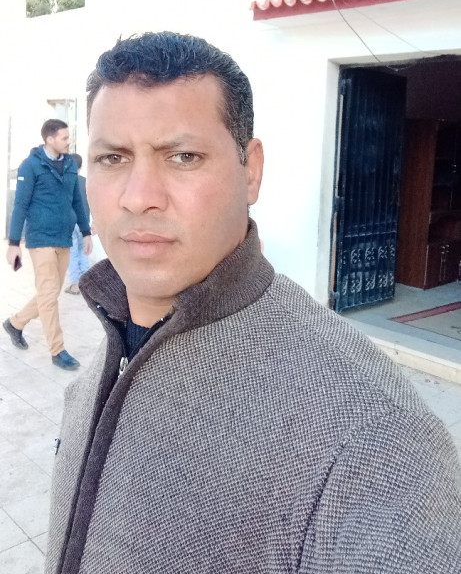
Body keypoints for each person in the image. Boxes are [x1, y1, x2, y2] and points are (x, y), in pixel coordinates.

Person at [46, 33, 461, 573]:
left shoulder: (372, 440)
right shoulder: (110, 342)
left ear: (251, 171)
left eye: (183, 156)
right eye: (112, 158)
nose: (139, 196)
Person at [4, 119, 92, 370]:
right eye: (64, 138)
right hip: (41, 238)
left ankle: (15, 323)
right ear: (50, 139)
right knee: (49, 294)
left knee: (49, 293)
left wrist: (86, 232)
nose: (69, 141)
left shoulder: (70, 165)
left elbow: (77, 201)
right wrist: (13, 242)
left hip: (64, 236)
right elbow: (20, 204)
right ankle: (57, 350)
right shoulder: (31, 166)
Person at [64, 153, 90, 295]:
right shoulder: (86, 182)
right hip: (84, 222)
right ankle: (86, 284)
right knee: (84, 251)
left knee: (72, 252)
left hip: (70, 222)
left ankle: (75, 284)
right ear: (81, 167)